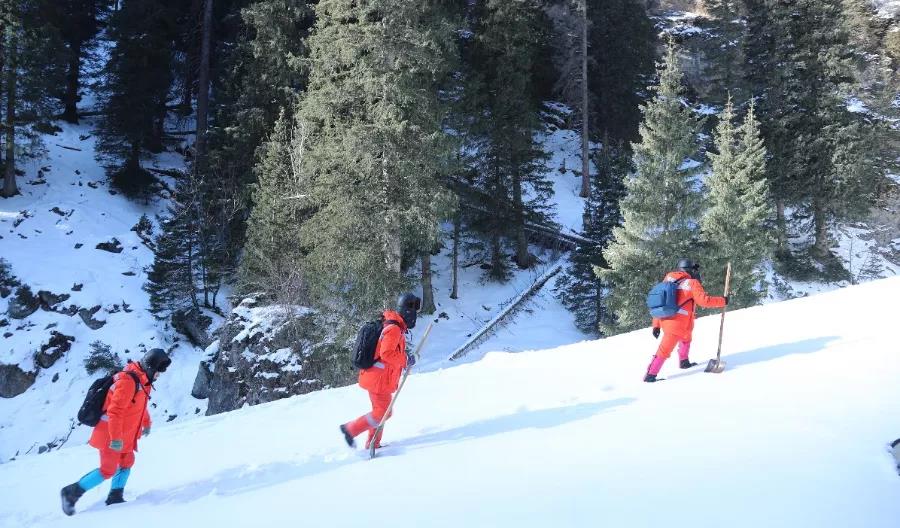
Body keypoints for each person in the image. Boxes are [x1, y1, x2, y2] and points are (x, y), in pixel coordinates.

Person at [60, 348, 171, 515]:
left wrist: (146, 423)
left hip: (125, 434)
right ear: (149, 367)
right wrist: (116, 438)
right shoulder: (128, 382)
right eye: (157, 371)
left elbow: (139, 406)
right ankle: (71, 492)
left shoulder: (142, 381)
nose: (158, 376)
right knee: (108, 469)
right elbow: (115, 412)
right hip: (110, 435)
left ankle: (115, 496)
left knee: (127, 462)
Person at [340, 293, 420, 450]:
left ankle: (372, 444)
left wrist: (406, 358)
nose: (414, 317)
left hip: (378, 379)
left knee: (380, 412)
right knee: (383, 413)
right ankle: (350, 429)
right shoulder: (394, 329)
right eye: (413, 313)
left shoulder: (394, 326)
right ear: (407, 312)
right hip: (378, 380)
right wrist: (405, 360)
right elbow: (386, 353)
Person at [645, 259, 727, 382]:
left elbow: (659, 303)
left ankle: (684, 362)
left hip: (673, 321)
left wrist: (656, 325)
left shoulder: (668, 280)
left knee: (686, 338)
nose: (696, 273)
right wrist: (723, 301)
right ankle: (650, 375)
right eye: (695, 270)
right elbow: (704, 301)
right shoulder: (692, 283)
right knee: (664, 350)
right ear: (690, 270)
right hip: (677, 325)